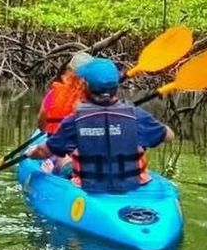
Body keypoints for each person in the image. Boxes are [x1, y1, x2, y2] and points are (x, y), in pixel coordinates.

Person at [28, 57, 175, 193]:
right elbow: (169, 135)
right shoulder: (137, 115)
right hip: (134, 184)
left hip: (89, 185)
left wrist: (31, 153)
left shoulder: (74, 121)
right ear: (116, 87)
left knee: (65, 159)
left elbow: (45, 151)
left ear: (85, 86)